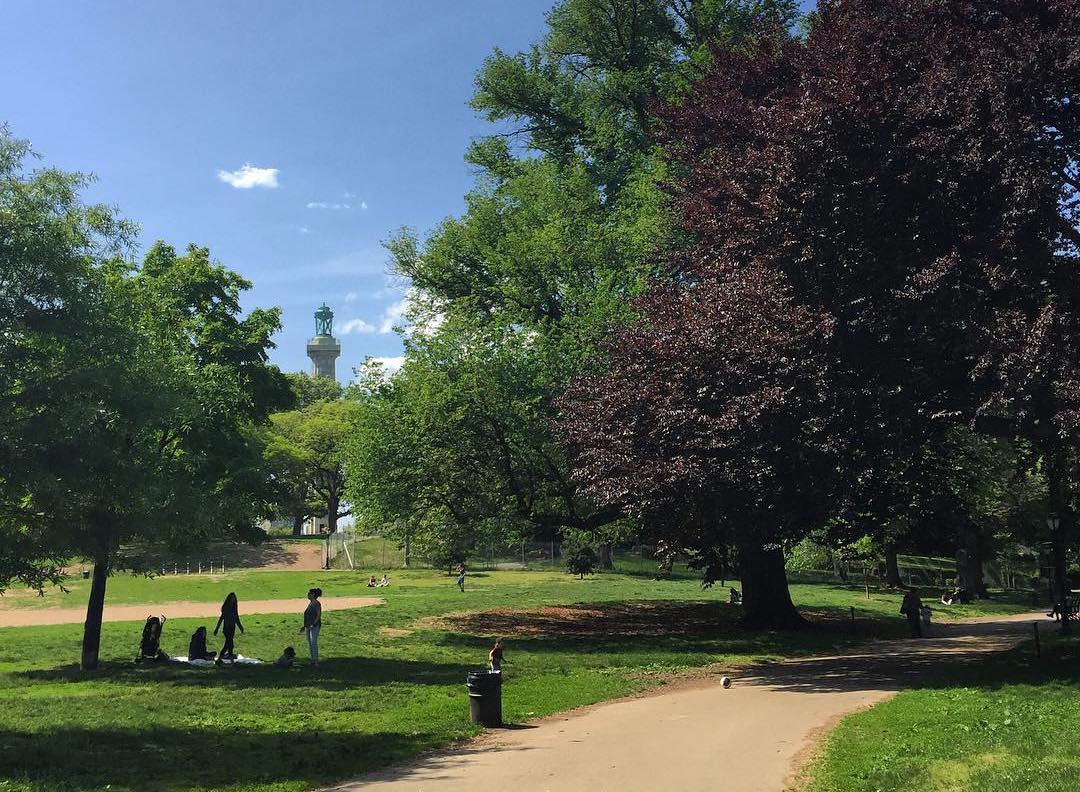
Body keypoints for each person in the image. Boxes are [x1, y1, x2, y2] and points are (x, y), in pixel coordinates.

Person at [214, 592, 244, 664]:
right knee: (230, 644)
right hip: (227, 628)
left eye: (234, 598)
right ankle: (231, 661)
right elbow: (222, 618)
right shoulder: (226, 607)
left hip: (232, 628)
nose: (234, 599)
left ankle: (220, 659)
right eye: (232, 598)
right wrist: (217, 629)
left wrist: (240, 627)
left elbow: (236, 617)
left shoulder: (234, 607)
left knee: (228, 644)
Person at [299, 587, 322, 666]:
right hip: (308, 626)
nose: (308, 595)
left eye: (309, 593)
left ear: (313, 594)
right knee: (310, 643)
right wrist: (304, 626)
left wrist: (313, 624)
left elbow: (318, 615)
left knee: (313, 643)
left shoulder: (317, 603)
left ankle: (316, 661)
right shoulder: (311, 603)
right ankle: (312, 660)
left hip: (314, 626)